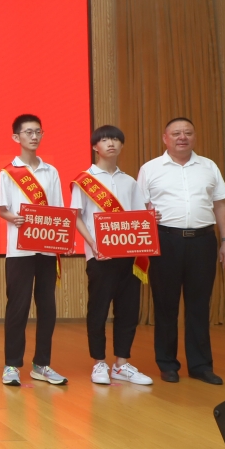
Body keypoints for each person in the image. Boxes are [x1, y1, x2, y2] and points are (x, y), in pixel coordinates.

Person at [137, 117, 225, 385]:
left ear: (194, 137)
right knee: (165, 305)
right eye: (176, 133)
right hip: (165, 240)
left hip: (203, 242)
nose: (183, 137)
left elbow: (221, 205)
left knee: (199, 305)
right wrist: (147, 216)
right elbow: (139, 206)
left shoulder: (209, 166)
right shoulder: (150, 168)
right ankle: (167, 364)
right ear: (165, 138)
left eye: (188, 133)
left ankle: (201, 365)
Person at [71, 125, 154, 385]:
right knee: (98, 310)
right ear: (95, 146)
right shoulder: (84, 180)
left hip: (129, 256)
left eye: (116, 139)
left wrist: (151, 220)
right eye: (105, 139)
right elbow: (76, 217)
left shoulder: (129, 182)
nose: (111, 143)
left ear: (121, 145)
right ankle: (99, 362)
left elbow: (138, 216)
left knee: (128, 310)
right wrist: (93, 244)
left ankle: (122, 363)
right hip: (100, 257)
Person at [0, 114, 68, 386]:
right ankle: (12, 365)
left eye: (38, 131)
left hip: (47, 247)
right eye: (28, 132)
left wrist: (63, 239)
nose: (34, 136)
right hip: (19, 249)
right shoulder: (8, 172)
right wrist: (13, 218)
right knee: (19, 307)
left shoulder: (51, 172)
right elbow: (2, 209)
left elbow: (58, 210)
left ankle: (42, 364)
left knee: (47, 306)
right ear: (16, 137)